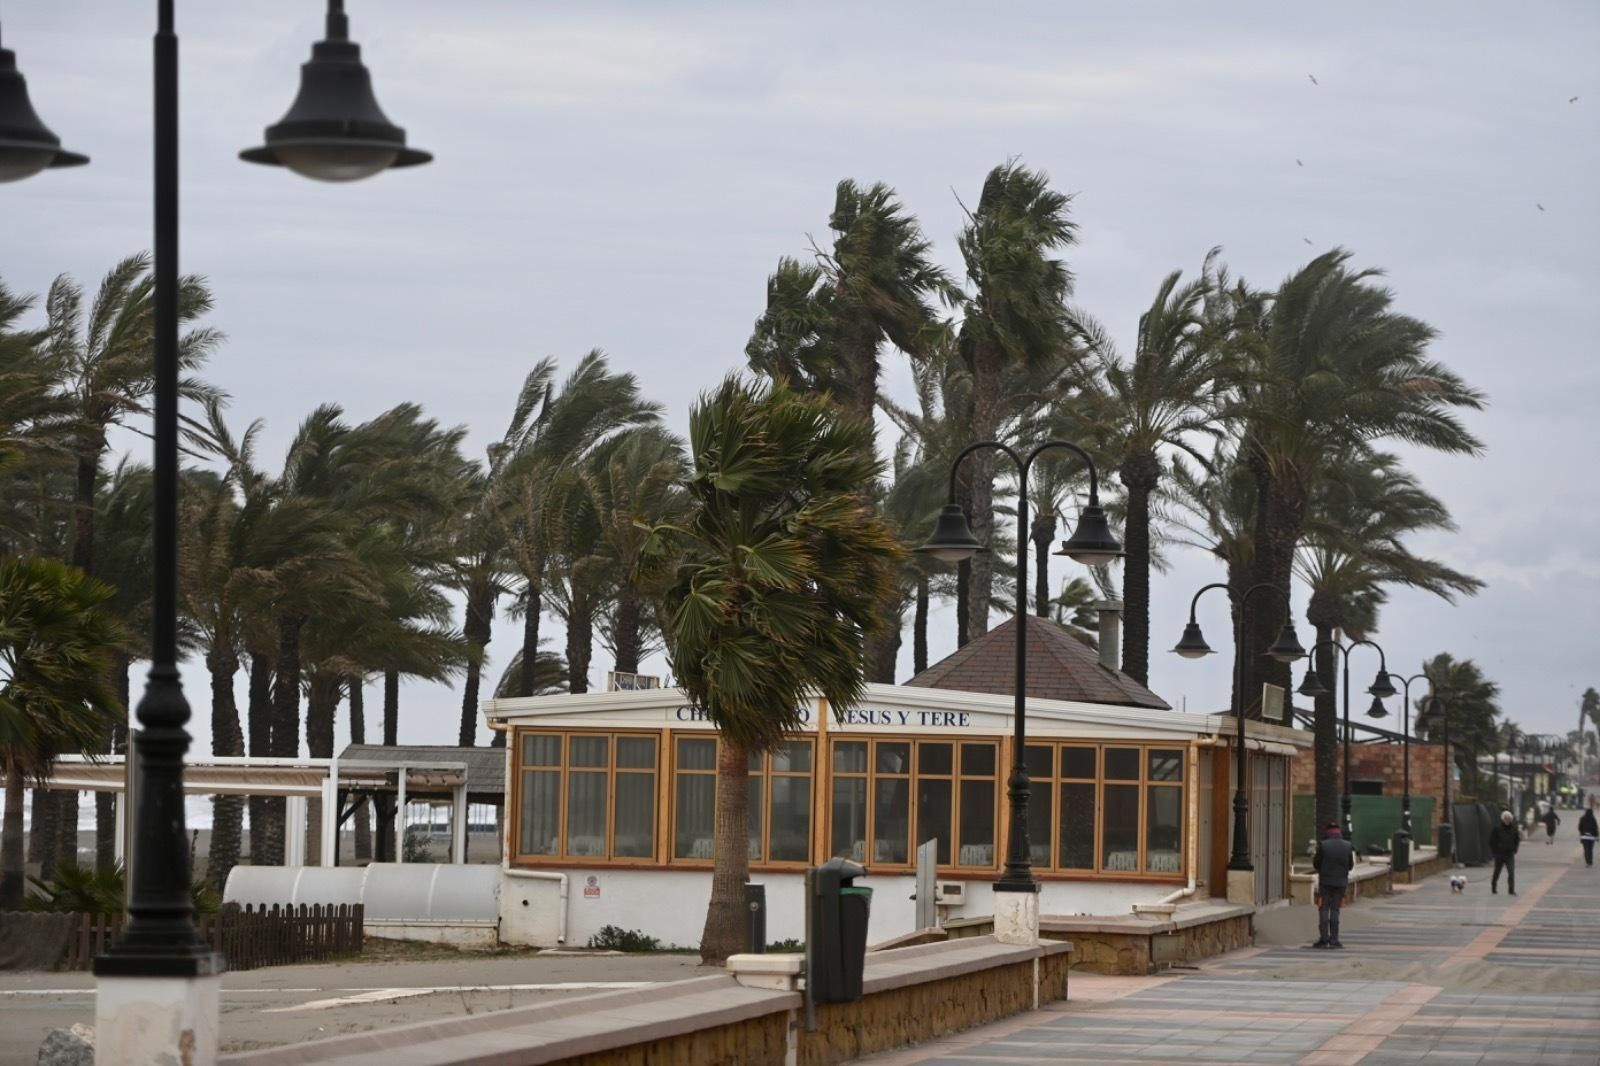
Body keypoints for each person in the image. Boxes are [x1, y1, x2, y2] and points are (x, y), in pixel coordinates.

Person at [1312, 822, 1354, 949]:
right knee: (1335, 910)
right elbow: (1350, 866)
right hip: (1341, 884)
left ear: (1328, 832)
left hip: (1325, 883)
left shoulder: (1323, 845)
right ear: (1339, 831)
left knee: (1323, 909)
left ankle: (1324, 939)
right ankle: (1334, 939)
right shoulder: (1347, 846)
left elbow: (1316, 863)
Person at [1489, 809, 1520, 894]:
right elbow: (1492, 841)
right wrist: (1494, 852)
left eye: (1509, 819)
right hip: (1499, 854)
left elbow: (1517, 840)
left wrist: (1515, 849)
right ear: (1502, 819)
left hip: (1509, 854)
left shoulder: (1514, 829)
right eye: (1506, 819)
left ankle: (1511, 889)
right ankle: (1493, 886)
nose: (1507, 820)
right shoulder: (1497, 829)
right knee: (1497, 872)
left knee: (1511, 872)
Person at [1579, 804, 1597, 868]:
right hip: (1591, 837)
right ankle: (1590, 862)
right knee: (1590, 850)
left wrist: (1581, 833)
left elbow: (1579, 827)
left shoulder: (1582, 818)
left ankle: (1587, 862)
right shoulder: (1593, 819)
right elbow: (1595, 828)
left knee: (1586, 850)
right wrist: (1596, 836)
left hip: (1584, 837)